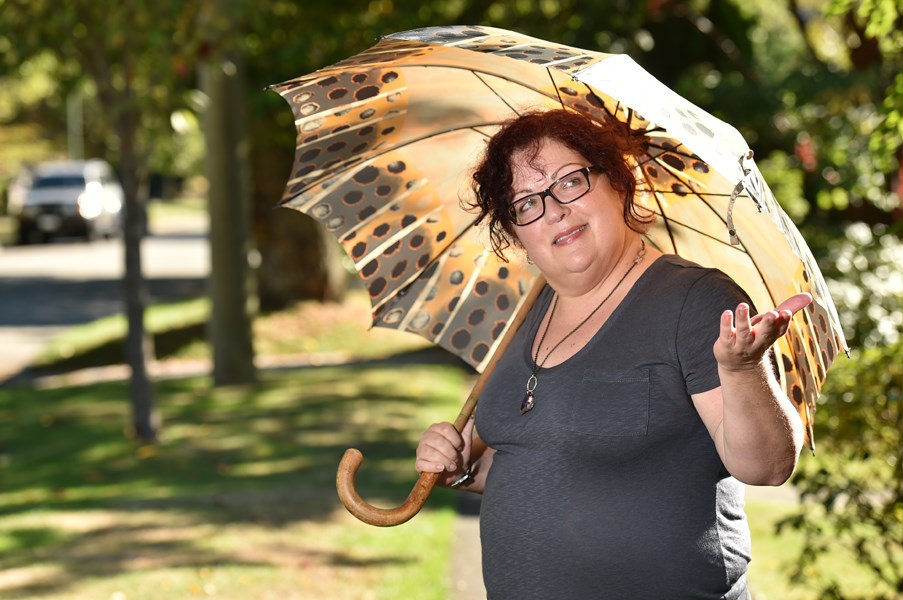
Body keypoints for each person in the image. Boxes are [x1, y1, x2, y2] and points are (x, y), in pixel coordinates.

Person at [414, 109, 809, 599]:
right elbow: (540, 463)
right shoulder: (527, 315)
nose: (553, 209)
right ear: (516, 233)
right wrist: (463, 470)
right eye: (526, 203)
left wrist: (742, 369)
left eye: (570, 182)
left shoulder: (696, 301)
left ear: (619, 182)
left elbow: (766, 467)